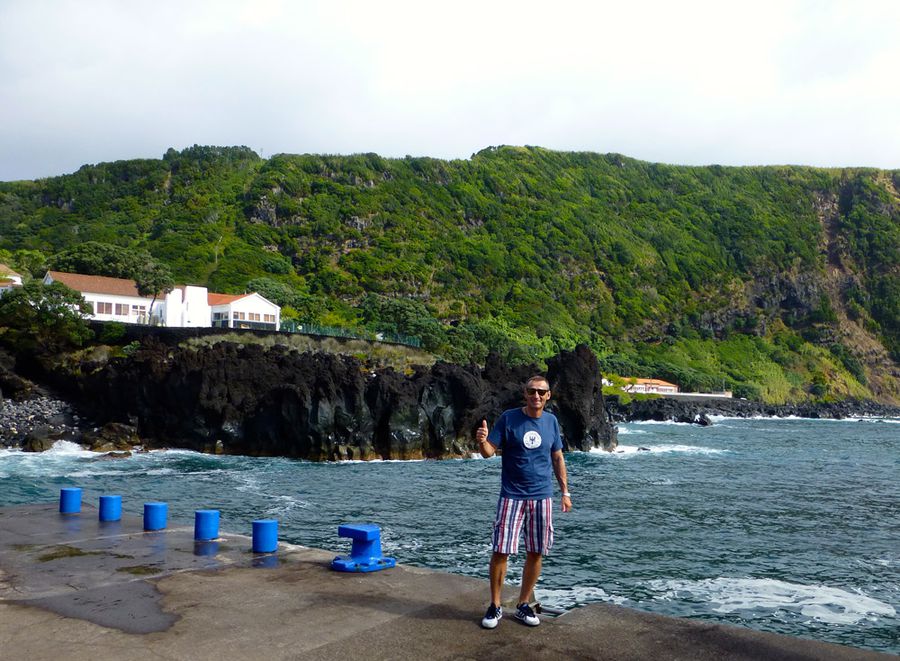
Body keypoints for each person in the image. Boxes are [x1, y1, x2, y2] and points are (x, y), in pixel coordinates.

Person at [475, 375, 572, 629]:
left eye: (541, 392)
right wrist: (482, 441)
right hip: (511, 495)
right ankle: (495, 605)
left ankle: (523, 604)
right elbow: (488, 452)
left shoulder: (551, 421)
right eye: (531, 391)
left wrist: (565, 492)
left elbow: (557, 457)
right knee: (501, 550)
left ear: (548, 395)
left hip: (542, 497)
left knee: (536, 551)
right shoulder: (509, 418)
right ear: (525, 393)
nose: (536, 396)